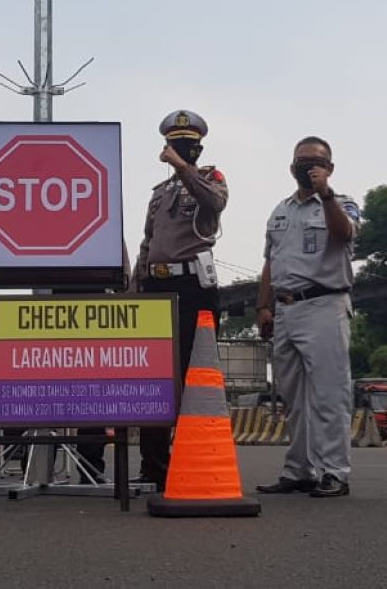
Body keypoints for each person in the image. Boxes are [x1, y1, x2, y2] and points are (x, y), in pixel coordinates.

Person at [255, 136, 361, 498]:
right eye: (301, 161)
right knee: (292, 397)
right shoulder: (280, 211)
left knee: (329, 394)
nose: (307, 166)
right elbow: (271, 261)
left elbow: (344, 233)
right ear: (291, 167)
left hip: (324, 305)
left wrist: (326, 194)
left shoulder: (342, 203)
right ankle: (299, 469)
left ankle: (334, 472)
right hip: (285, 309)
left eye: (315, 161)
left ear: (329, 168)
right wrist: (263, 306)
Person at [132, 110, 227, 489]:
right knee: (155, 380)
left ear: (197, 148)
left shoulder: (210, 180)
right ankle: (154, 467)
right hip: (156, 289)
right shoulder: (159, 194)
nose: (177, 150)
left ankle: (197, 461)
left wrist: (184, 168)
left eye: (186, 145)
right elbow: (147, 242)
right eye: (173, 144)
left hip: (193, 288)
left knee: (194, 377)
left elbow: (214, 205)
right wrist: (135, 288)